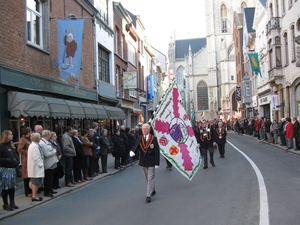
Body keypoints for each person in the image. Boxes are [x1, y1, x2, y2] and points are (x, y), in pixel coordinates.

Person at [130, 123, 160, 203]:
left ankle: (148, 195)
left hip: (151, 161)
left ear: (149, 130)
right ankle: (152, 189)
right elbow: (136, 146)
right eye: (143, 129)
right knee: (147, 178)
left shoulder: (153, 139)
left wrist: (157, 163)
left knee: (150, 178)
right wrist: (132, 151)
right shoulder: (140, 138)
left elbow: (157, 151)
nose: (144, 131)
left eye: (145, 129)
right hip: (143, 161)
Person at [0, 130, 20, 211]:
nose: (12, 136)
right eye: (11, 134)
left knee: (12, 187)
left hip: (13, 169)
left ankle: (12, 202)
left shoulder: (10, 145)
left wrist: (16, 160)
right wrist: (7, 160)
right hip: (5, 169)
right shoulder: (1, 146)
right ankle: (5, 204)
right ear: (6, 136)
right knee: (5, 188)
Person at [39, 130, 58, 197]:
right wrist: (54, 151)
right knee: (47, 177)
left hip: (52, 162)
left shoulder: (47, 142)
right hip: (48, 162)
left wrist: (53, 151)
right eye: (49, 135)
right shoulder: (42, 143)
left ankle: (50, 189)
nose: (50, 136)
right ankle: (47, 191)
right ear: (47, 136)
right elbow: (47, 154)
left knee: (51, 177)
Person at [27, 132, 44, 202]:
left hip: (37, 167)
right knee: (35, 183)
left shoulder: (36, 145)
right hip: (36, 167)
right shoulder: (34, 146)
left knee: (37, 182)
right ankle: (34, 196)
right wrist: (40, 164)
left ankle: (35, 195)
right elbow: (36, 157)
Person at [17, 127, 32, 197]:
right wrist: (27, 152)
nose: (31, 133)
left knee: (30, 175)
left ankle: (31, 189)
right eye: (30, 132)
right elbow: (19, 149)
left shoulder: (28, 139)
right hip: (26, 159)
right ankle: (27, 191)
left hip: (30, 159)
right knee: (26, 175)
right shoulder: (23, 140)